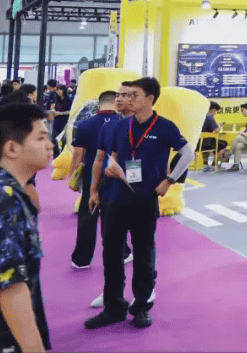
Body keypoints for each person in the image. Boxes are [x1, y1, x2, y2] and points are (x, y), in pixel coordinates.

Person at [84, 77, 192, 331]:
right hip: (115, 198)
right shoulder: (121, 126)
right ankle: (113, 307)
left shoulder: (165, 127)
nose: (128, 99)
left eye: (134, 95)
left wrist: (169, 181)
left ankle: (141, 306)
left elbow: (187, 153)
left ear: (150, 99)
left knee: (143, 253)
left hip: (144, 200)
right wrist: (110, 169)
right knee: (112, 253)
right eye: (126, 95)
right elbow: (112, 156)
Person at [0, 102, 53, 353]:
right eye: (41, 138)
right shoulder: (3, 200)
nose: (50, 145)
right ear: (12, 148)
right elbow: (10, 285)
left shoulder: (6, 189)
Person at [69, 91, 128, 269]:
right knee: (115, 217)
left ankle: (82, 259)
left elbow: (77, 154)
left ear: (98, 104)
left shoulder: (85, 125)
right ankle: (122, 253)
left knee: (87, 215)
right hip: (117, 176)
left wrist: (73, 177)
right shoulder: (125, 124)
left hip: (91, 175)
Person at [198, 101, 226, 172]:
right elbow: (216, 130)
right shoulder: (210, 118)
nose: (215, 113)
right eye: (215, 111)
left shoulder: (201, 117)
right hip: (208, 143)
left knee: (210, 145)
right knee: (223, 145)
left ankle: (205, 165)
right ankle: (214, 164)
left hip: (199, 143)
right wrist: (219, 127)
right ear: (213, 110)